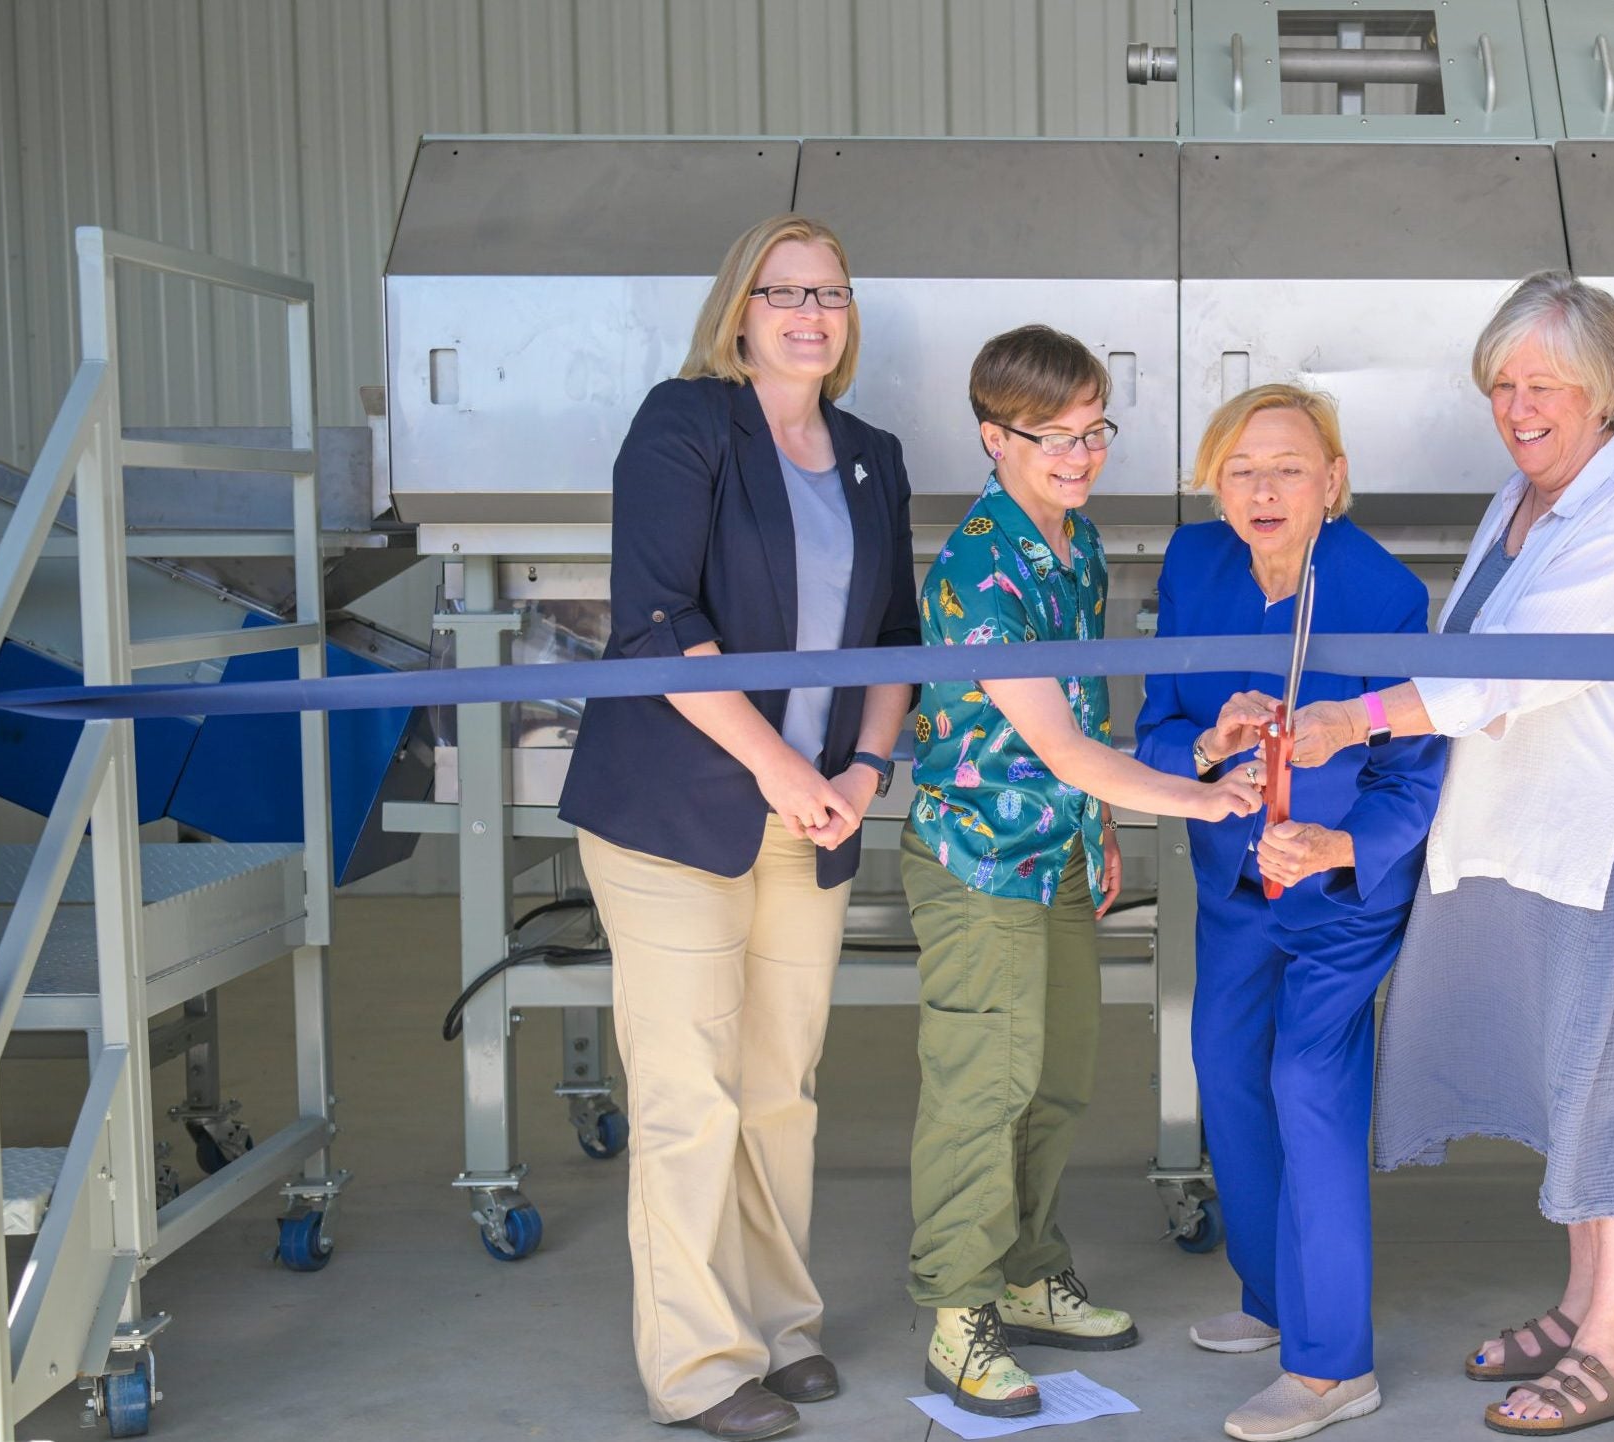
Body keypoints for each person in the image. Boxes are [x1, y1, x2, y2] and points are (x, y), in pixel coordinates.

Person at [1285, 273, 1614, 1437]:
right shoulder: (1525, 496)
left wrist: (1354, 717)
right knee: (1565, 1074)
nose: (1518, 405)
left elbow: (1513, 668)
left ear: (1606, 391)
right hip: (1539, 828)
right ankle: (1584, 1306)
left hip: (1613, 832)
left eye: (1544, 384)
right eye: (1502, 384)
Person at [556, 214, 918, 1442]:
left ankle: (781, 1323)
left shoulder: (871, 452)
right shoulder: (684, 421)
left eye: (831, 290)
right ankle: (699, 1362)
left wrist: (865, 768)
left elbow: (891, 641)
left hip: (814, 810)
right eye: (784, 290)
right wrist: (777, 764)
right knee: (687, 1093)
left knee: (780, 1088)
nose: (810, 311)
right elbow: (657, 622)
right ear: (741, 306)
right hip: (677, 810)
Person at [904, 324, 1265, 1419]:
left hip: (1055, 851)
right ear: (991, 436)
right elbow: (1059, 746)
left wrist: (1100, 829)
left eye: (1092, 429)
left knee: (1055, 1078)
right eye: (1050, 435)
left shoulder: (1077, 541)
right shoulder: (978, 566)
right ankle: (957, 1314)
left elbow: (1086, 709)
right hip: (977, 861)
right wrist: (1199, 794)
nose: (1077, 452)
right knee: (983, 1087)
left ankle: (1025, 1270)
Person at [1133, 385, 1446, 1442]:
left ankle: (1330, 1364)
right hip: (1232, 879)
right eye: (1240, 470)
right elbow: (1155, 731)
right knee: (1225, 1068)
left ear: (1333, 482)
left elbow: (1415, 775)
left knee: (1306, 1078)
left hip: (1340, 891)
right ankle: (1271, 1297)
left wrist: (1338, 844)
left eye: (1287, 468)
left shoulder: (1383, 593)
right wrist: (1210, 748)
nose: (1264, 490)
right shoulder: (1194, 567)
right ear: (1215, 486)